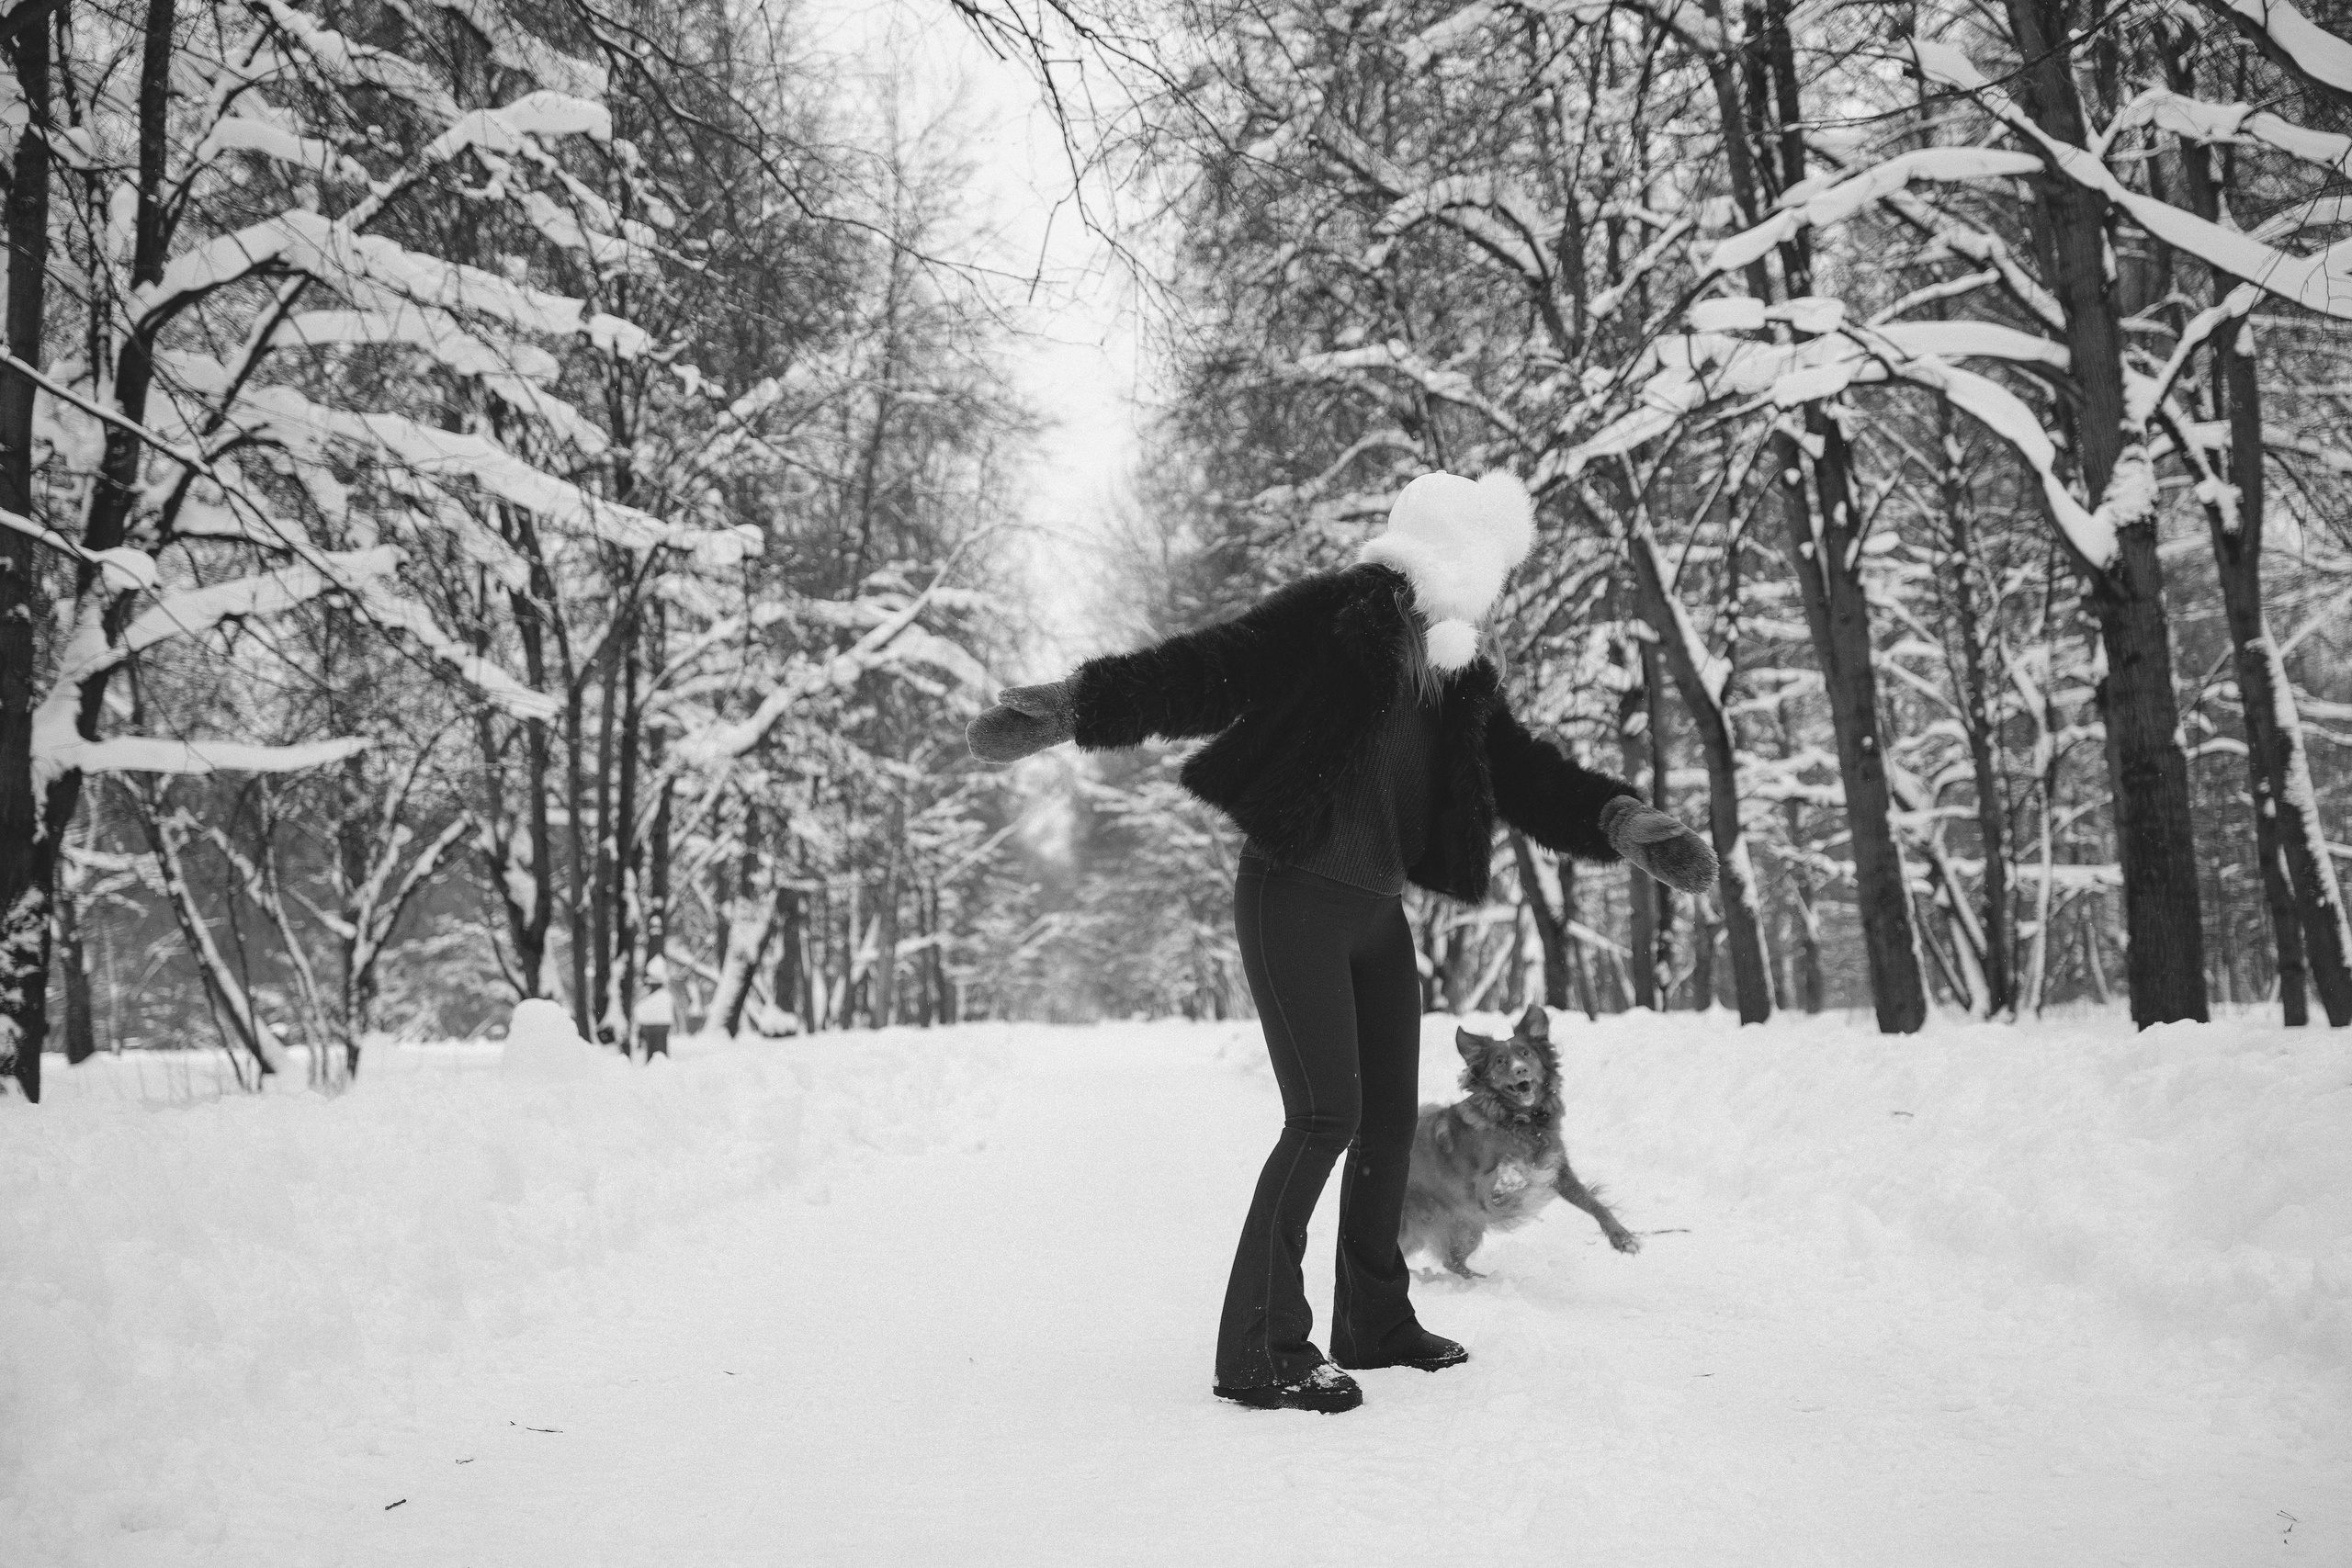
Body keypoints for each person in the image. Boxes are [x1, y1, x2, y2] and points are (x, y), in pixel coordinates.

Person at [967, 471, 1716, 1413]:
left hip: (1374, 915)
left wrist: (1619, 819)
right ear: (1446, 559)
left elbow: (1522, 774)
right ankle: (1261, 1349)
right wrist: (1077, 705)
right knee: (1323, 1117)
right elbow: (1208, 669)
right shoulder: (1339, 617)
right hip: (1293, 897)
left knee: (1388, 1123)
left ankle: (1374, 1320)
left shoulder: (1457, 676)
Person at [637, 956, 674, 1060]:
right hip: (657, 1026)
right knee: (657, 1055)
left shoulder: (661, 997)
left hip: (656, 1026)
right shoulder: (659, 996)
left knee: (656, 1056)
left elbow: (639, 1010)